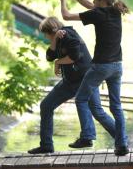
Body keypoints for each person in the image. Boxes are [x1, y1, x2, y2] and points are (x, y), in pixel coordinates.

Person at [58, 0, 130, 156]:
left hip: (101, 67)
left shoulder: (99, 14)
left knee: (81, 100)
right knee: (116, 106)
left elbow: (66, 16)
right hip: (117, 66)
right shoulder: (114, 11)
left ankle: (87, 136)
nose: (92, 1)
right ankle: (122, 145)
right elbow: (89, 6)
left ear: (102, 1)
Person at [27, 17, 116, 154]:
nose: (46, 37)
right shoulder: (58, 38)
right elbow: (49, 56)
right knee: (46, 105)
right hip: (70, 81)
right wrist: (54, 40)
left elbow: (75, 56)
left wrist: (58, 63)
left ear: (52, 29)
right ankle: (46, 145)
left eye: (46, 34)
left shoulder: (68, 35)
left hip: (86, 78)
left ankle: (119, 139)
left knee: (97, 111)